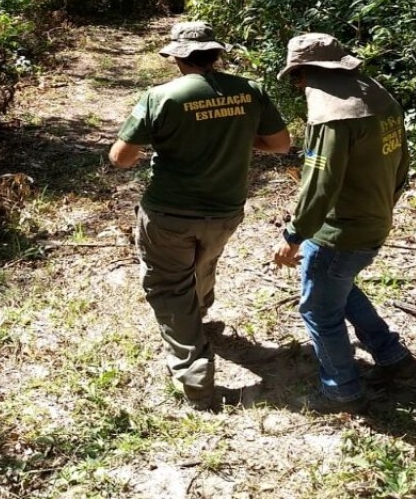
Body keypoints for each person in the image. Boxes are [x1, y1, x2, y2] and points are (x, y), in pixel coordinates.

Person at [109, 21, 291, 410]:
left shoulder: (160, 96)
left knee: (168, 287)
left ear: (176, 56)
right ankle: (200, 314)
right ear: (216, 54)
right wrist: (238, 138)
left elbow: (121, 159)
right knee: (205, 260)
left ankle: (196, 380)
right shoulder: (248, 91)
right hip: (226, 209)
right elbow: (280, 144)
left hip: (169, 211)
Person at [272, 32, 416, 414]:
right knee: (339, 286)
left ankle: (341, 389)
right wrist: (386, 204)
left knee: (319, 309)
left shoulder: (332, 117)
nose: (298, 84)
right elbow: (403, 161)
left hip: (340, 232)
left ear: (307, 72)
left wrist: (293, 235)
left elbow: (320, 185)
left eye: (297, 76)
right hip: (374, 219)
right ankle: (390, 354)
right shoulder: (379, 99)